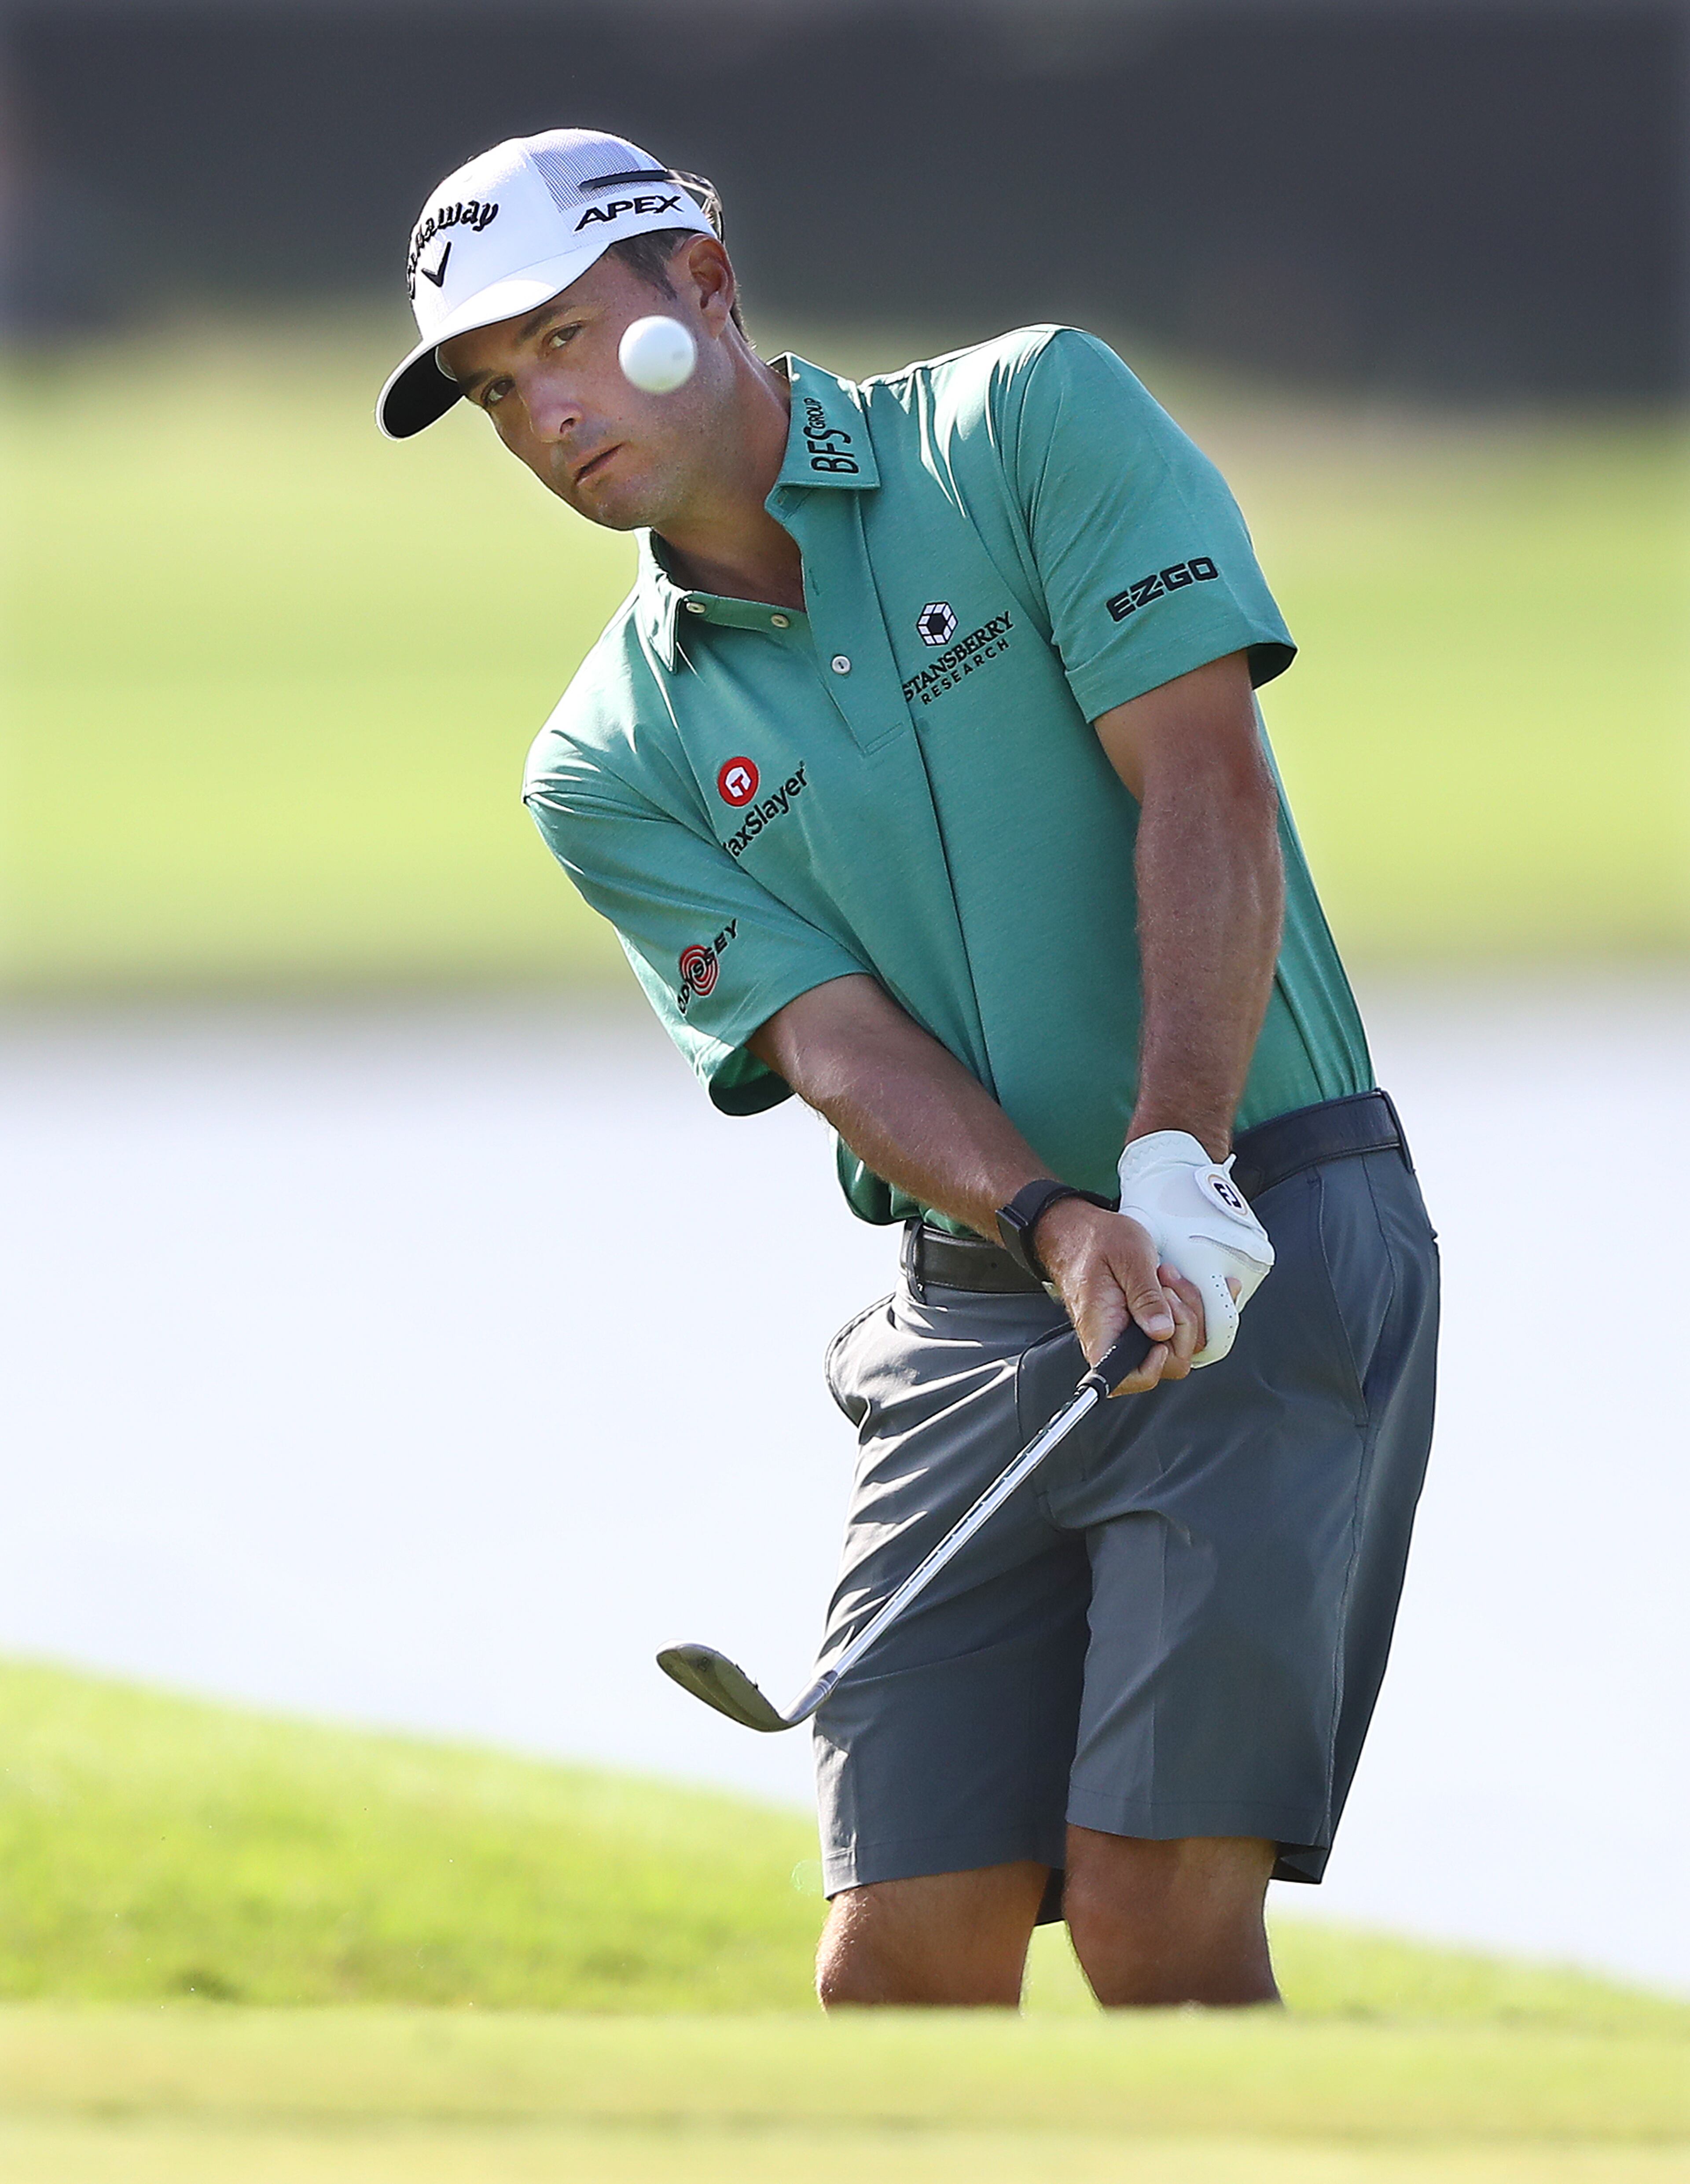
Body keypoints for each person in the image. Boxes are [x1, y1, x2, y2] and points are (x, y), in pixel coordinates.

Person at [377, 126, 1439, 2011]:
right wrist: (1051, 1218)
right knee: (900, 1951)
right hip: (985, 1295)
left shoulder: (1028, 423)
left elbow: (1204, 780)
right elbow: (832, 1039)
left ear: (703, 283)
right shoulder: (603, 754)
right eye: (489, 384)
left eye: (560, 338)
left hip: (1261, 1213)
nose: (539, 411)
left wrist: (1173, 1160)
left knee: (1151, 1909)